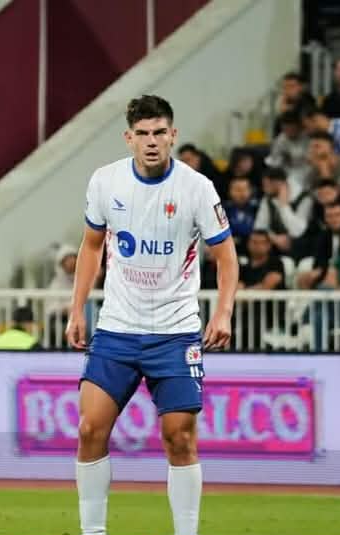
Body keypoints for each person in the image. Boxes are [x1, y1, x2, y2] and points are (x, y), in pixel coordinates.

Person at [66, 95, 237, 535]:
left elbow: (226, 256)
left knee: (179, 437)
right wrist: (76, 308)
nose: (152, 141)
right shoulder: (105, 182)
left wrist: (223, 313)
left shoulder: (197, 188)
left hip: (175, 332)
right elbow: (91, 246)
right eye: (142, 134)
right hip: (117, 329)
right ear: (129, 138)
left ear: (173, 135)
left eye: (160, 132)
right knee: (89, 429)